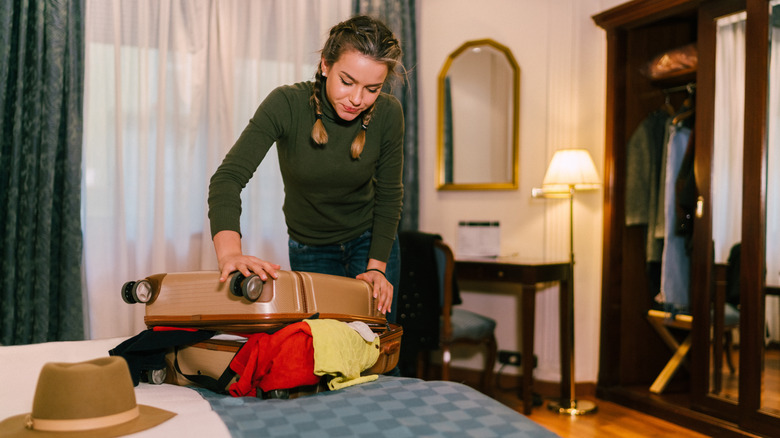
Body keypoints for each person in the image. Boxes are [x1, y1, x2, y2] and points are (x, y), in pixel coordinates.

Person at [208, 15, 404, 321]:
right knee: (324, 355)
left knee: (376, 348)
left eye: (372, 89)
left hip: (371, 244)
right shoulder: (286, 105)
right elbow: (227, 179)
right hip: (311, 248)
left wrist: (376, 268)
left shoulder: (389, 113)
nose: (356, 99)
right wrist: (230, 254)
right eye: (347, 81)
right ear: (325, 65)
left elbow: (390, 195)